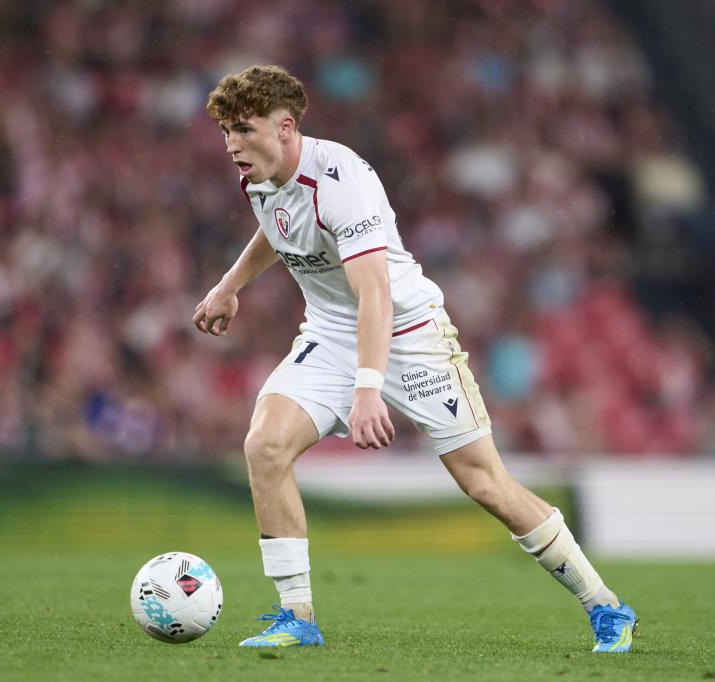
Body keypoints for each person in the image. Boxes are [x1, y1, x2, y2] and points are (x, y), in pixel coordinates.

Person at [194, 65, 637, 653]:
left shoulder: (341, 181)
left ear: (286, 127)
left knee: (485, 485)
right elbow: (275, 227)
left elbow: (375, 293)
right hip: (330, 335)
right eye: (225, 131)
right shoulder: (259, 175)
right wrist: (229, 285)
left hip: (408, 334)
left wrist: (368, 389)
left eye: (242, 130)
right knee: (264, 446)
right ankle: (295, 615)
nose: (230, 146)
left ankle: (607, 607)